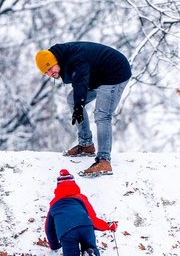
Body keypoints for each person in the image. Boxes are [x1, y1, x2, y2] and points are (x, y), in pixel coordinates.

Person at [36, 42, 131, 177]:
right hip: (98, 76)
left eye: (50, 68)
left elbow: (80, 80)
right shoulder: (63, 58)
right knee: (71, 100)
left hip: (115, 73)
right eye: (46, 72)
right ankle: (86, 145)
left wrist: (79, 105)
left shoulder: (74, 59)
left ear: (55, 60)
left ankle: (104, 161)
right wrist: (77, 105)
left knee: (102, 115)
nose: (51, 73)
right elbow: (79, 80)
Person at [43, 169, 118, 256]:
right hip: (85, 226)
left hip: (66, 232)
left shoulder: (54, 204)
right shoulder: (81, 198)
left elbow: (49, 228)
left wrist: (55, 245)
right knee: (89, 245)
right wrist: (108, 226)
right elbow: (93, 219)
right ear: (74, 184)